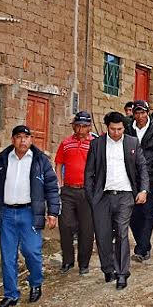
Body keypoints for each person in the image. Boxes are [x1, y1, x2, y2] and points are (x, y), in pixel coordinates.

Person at [0, 125, 60, 307]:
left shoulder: (40, 161)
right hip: (6, 213)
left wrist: (52, 212)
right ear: (13, 140)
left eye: (26, 137)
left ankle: (36, 283)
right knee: (7, 256)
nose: (22, 141)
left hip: (29, 213)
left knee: (32, 252)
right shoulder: (2, 160)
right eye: (19, 137)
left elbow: (51, 188)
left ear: (31, 140)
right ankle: (10, 294)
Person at [84, 112, 148, 290]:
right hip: (102, 196)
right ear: (107, 128)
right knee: (103, 235)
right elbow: (89, 173)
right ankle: (108, 268)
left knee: (121, 232)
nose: (116, 132)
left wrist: (143, 189)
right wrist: (92, 197)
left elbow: (142, 167)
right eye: (113, 129)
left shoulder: (132, 143)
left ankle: (122, 273)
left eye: (120, 129)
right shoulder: (97, 145)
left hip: (125, 195)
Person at [54, 112, 95, 275]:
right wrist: (60, 185)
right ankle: (67, 261)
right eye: (78, 125)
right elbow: (58, 164)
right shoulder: (66, 143)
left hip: (86, 191)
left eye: (84, 126)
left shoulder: (95, 144)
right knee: (65, 226)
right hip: (68, 191)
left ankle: (83, 264)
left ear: (89, 127)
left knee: (86, 229)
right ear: (73, 126)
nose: (80, 129)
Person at [126, 100, 153, 262]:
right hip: (131, 178)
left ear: (148, 112)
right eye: (137, 112)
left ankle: (141, 249)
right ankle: (144, 244)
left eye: (143, 112)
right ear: (133, 114)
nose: (140, 116)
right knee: (133, 215)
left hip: (151, 176)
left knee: (148, 213)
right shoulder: (127, 129)